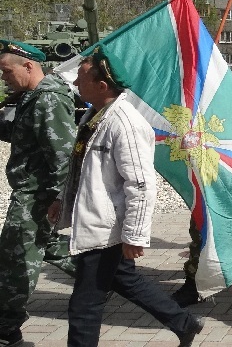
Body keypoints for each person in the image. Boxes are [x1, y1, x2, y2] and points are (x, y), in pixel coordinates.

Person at [47, 46, 204, 347]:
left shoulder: (125, 124)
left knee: (84, 306)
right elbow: (79, 167)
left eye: (81, 79)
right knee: (124, 279)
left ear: (102, 86)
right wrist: (60, 199)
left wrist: (134, 236)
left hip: (107, 228)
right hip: (98, 221)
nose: (76, 84)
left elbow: (141, 185)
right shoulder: (94, 116)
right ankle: (184, 323)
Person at [0, 40, 76, 347]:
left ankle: (6, 329)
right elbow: (24, 135)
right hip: (37, 195)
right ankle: (105, 279)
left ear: (28, 66)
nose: (4, 78)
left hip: (37, 198)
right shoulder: (32, 97)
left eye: (6, 72)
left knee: (15, 262)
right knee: (54, 248)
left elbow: (63, 156)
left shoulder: (48, 100)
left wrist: (58, 201)